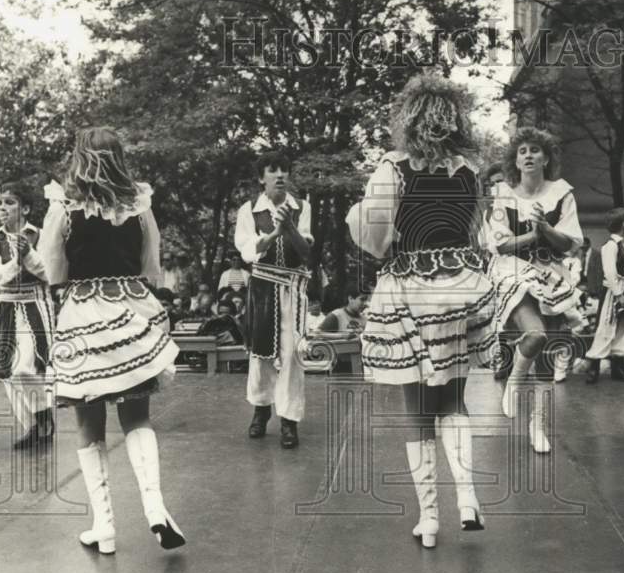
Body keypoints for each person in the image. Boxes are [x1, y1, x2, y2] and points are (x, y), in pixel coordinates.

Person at [347, 73, 495, 548]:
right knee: (453, 399)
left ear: (408, 120)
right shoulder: (470, 172)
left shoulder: (393, 168)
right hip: (460, 287)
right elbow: (477, 233)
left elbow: (374, 241)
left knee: (418, 411)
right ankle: (468, 498)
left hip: (411, 289)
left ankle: (429, 519)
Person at [39, 126, 184, 554]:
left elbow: (54, 272)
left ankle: (104, 526)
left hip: (84, 315)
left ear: (79, 158)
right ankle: (155, 507)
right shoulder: (139, 204)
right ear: (119, 157)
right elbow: (150, 265)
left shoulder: (63, 207)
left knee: (88, 423)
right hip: (132, 310)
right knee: (138, 417)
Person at [487, 126, 584, 453]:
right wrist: (532, 236)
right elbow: (499, 246)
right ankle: (513, 382)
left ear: (546, 158)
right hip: (512, 270)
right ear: (515, 160)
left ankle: (537, 426)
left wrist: (545, 228)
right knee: (536, 335)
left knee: (547, 356)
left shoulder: (562, 193)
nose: (528, 155)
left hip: (551, 271)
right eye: (522, 150)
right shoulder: (503, 193)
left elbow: (569, 244)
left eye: (535, 150)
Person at [234, 151, 313, 448]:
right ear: (261, 177)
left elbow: (306, 252)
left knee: (292, 354)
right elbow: (246, 251)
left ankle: (289, 420)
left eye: (284, 170)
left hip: (292, 288)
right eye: (273, 170)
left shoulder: (301, 206)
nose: (280, 175)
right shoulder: (249, 209)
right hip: (263, 288)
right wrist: (272, 234)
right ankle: (261, 410)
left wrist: (289, 229)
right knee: (261, 353)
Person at [0, 182, 56, 449]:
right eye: (0, 203)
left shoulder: (41, 235)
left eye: (10, 202)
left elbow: (50, 273)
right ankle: (35, 425)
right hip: (8, 306)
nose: (2, 208)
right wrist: (16, 262)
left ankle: (44, 416)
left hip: (36, 304)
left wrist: (29, 255)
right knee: (8, 372)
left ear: (25, 208)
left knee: (27, 366)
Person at [584, 208, 624, 384]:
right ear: (623, 224)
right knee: (606, 327)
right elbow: (609, 272)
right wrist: (619, 294)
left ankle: (618, 367)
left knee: (622, 328)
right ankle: (594, 368)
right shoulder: (610, 246)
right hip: (611, 292)